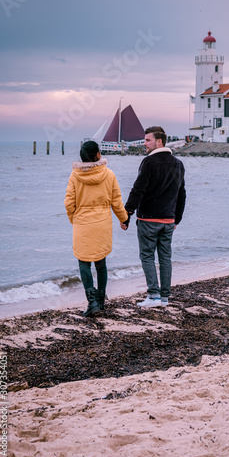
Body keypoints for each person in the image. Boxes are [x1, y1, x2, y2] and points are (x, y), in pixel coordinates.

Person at [121, 126, 186, 307]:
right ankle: (164, 298)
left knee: (147, 256)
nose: (144, 143)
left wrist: (126, 215)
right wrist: (177, 219)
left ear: (159, 142)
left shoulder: (148, 162)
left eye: (148, 140)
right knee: (165, 257)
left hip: (149, 219)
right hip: (168, 220)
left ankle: (154, 296)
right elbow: (181, 194)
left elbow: (137, 191)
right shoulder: (178, 164)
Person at [64, 140, 128, 317]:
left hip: (82, 223)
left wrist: (74, 220)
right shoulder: (109, 174)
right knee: (101, 262)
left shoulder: (75, 176)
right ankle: (101, 301)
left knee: (83, 261)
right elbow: (116, 201)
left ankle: (91, 302)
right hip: (102, 223)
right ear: (98, 154)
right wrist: (124, 219)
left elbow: (69, 203)